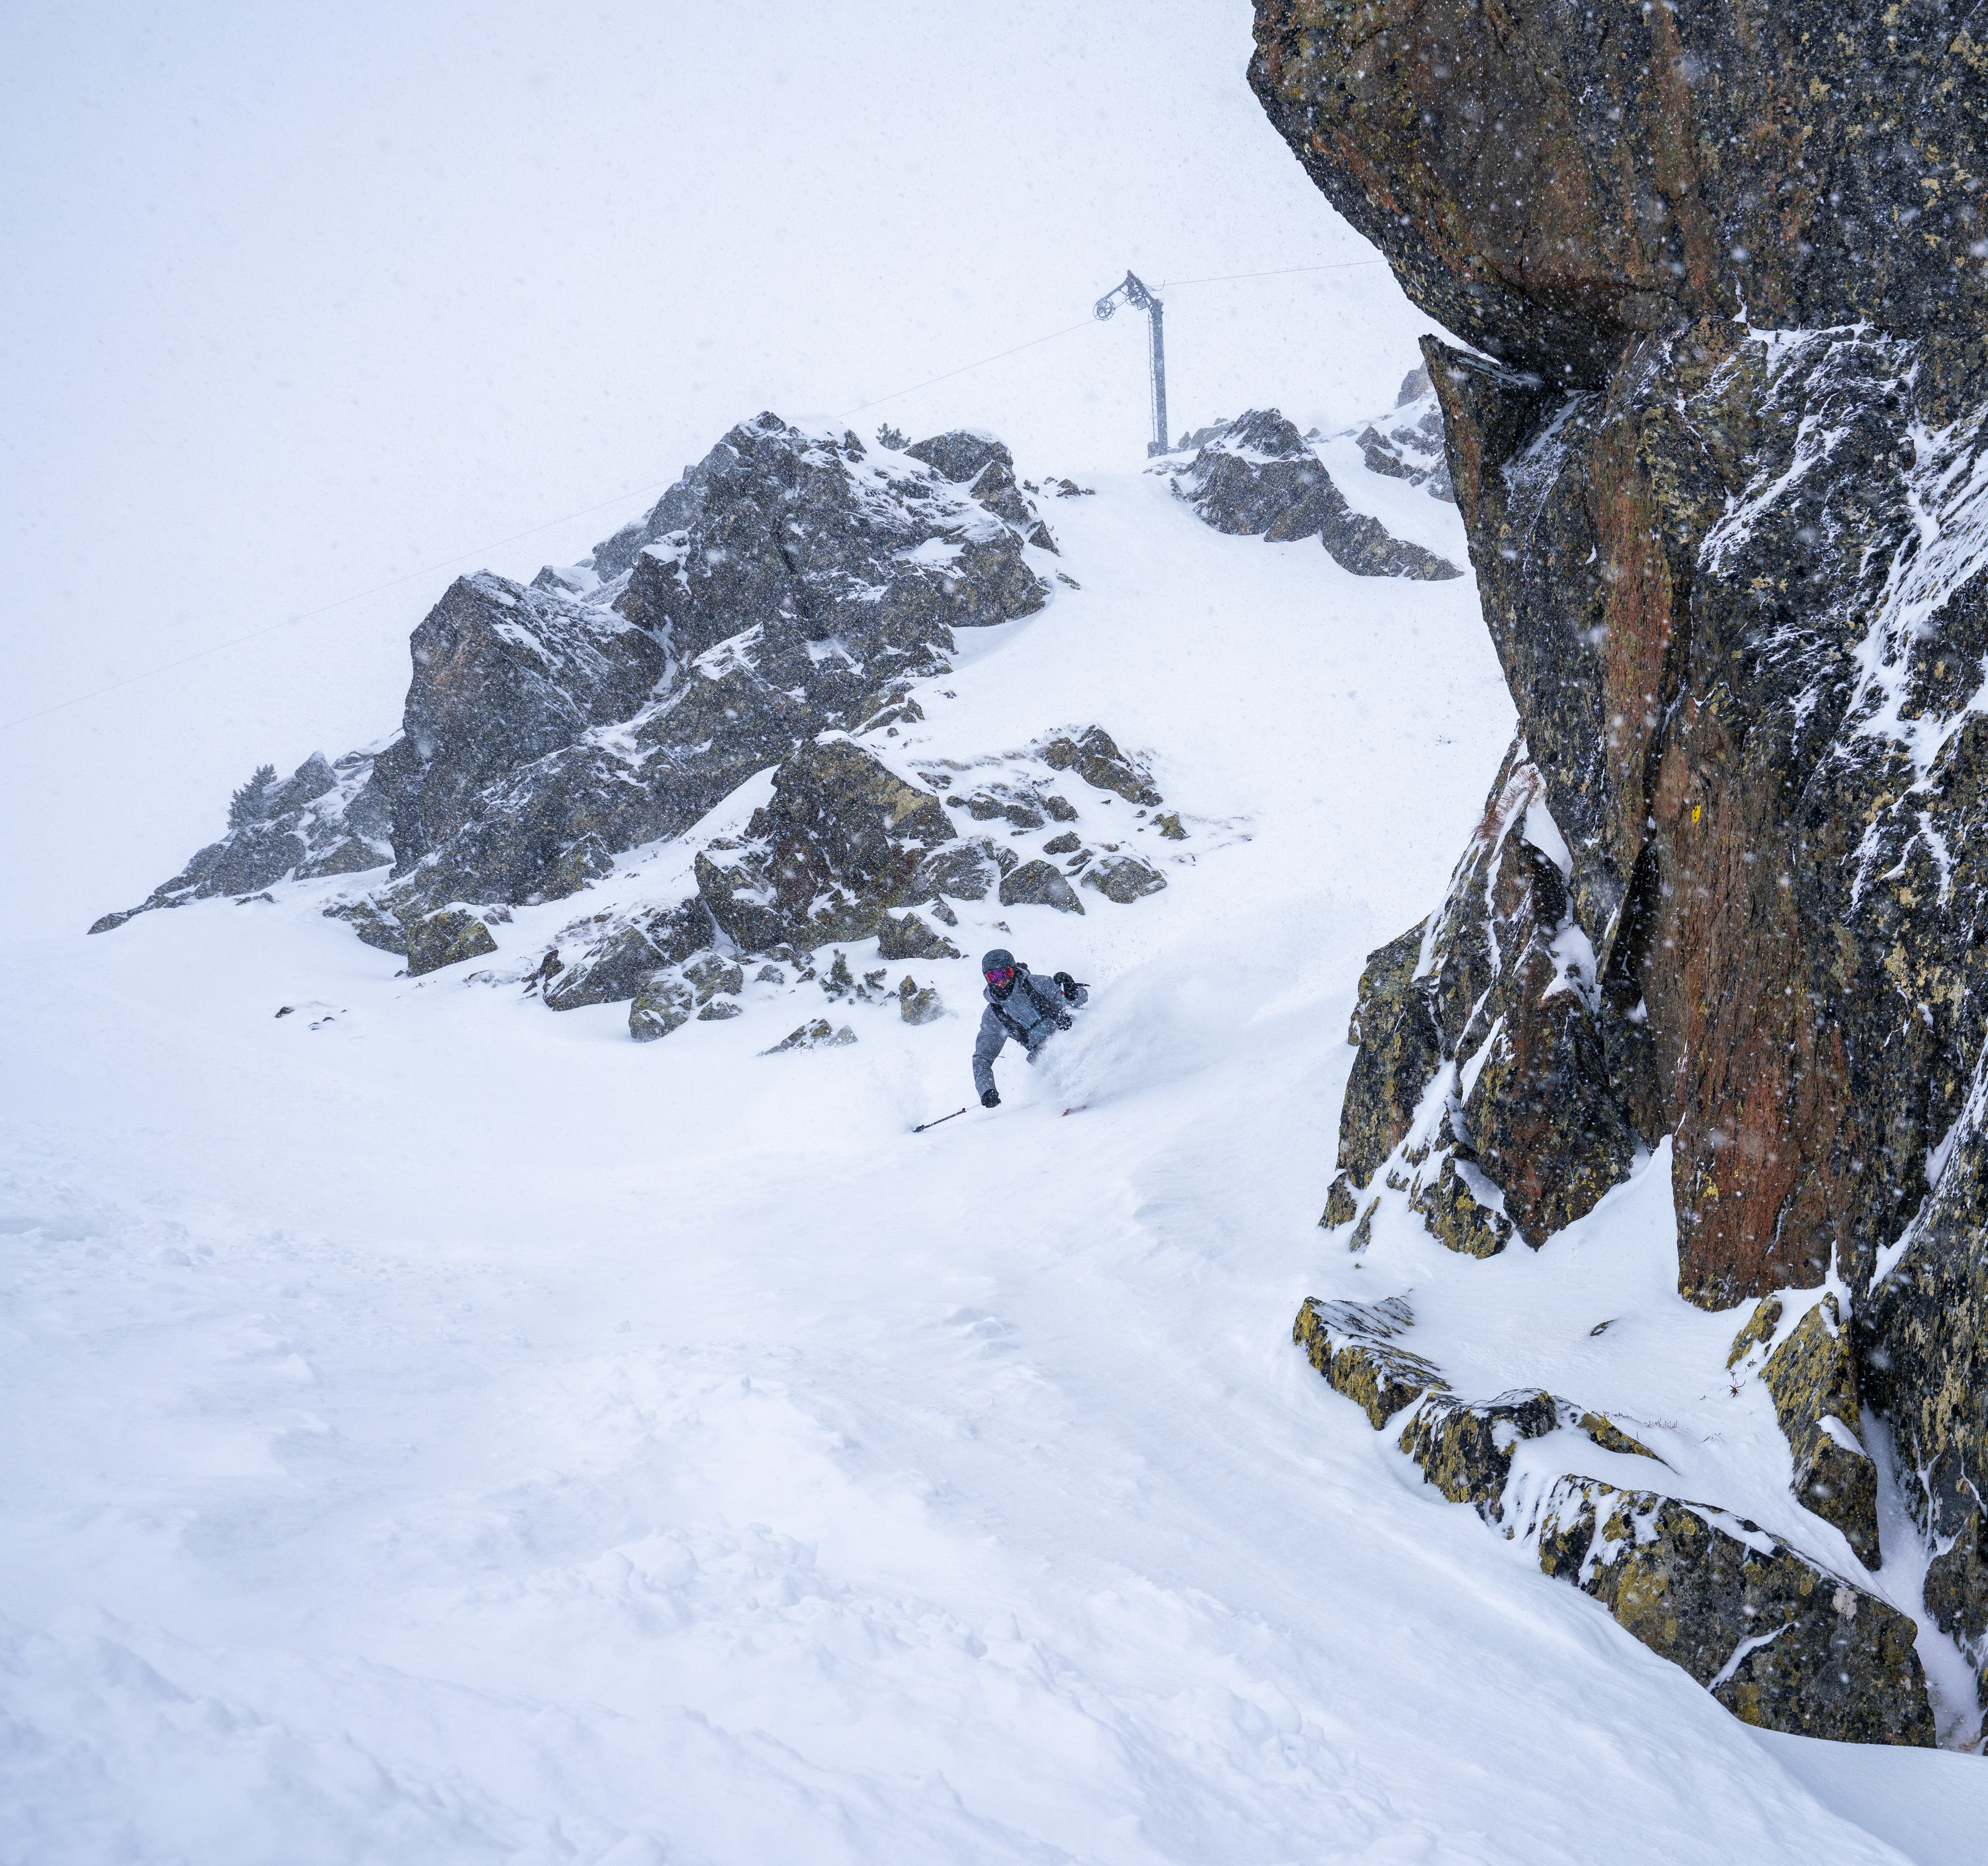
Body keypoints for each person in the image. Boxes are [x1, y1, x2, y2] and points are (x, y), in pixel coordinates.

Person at [972, 947, 1087, 1107]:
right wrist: (987, 1090)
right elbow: (982, 1057)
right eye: (994, 977)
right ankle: (1070, 1096)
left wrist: (1071, 991)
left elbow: (1081, 1000)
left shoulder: (1037, 984)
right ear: (987, 978)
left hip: (1067, 1033)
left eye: (1005, 974)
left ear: (1013, 971)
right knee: (1044, 1061)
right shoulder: (995, 1014)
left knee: (1082, 1047)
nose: (1001, 981)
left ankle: (1097, 1077)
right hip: (1043, 1054)